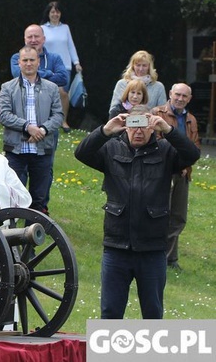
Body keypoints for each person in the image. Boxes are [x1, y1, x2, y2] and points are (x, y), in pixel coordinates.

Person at [74, 105, 199, 319]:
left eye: (143, 126)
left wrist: (168, 130)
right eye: (133, 126)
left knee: (152, 313)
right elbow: (81, 153)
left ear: (152, 127)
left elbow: (192, 154)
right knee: (110, 312)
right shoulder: (112, 149)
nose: (138, 131)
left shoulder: (166, 151)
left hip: (152, 250)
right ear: (126, 126)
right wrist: (105, 130)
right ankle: (110, 354)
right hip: (116, 248)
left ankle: (148, 354)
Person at [0, 46, 62, 213]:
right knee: (12, 196)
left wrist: (42, 130)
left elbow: (58, 116)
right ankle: (11, 234)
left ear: (38, 62)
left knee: (39, 198)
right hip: (16, 151)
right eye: (24, 60)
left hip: (42, 150)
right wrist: (28, 127)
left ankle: (32, 236)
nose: (28, 63)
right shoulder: (7, 88)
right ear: (19, 63)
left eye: (32, 60)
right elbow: (3, 115)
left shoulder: (51, 88)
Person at [151, 83, 200, 271]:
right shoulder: (157, 113)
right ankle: (157, 256)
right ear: (170, 94)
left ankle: (171, 258)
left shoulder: (191, 120)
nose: (180, 99)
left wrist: (185, 166)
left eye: (184, 96)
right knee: (162, 214)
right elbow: (155, 141)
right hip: (163, 172)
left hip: (183, 173)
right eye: (177, 94)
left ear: (189, 98)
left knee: (178, 216)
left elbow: (195, 147)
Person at [41, 1, 82, 132]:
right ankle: (47, 119)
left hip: (64, 65)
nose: (55, 14)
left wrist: (76, 63)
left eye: (57, 12)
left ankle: (63, 121)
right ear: (48, 13)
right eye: (52, 11)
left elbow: (71, 46)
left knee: (64, 94)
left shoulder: (65, 28)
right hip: (48, 65)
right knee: (47, 93)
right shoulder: (42, 28)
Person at [9, 24, 68, 93]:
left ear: (44, 39)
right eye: (30, 37)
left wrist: (33, 76)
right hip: (23, 98)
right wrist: (49, 73)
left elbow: (63, 78)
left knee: (62, 92)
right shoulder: (16, 58)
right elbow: (20, 75)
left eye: (36, 36)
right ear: (25, 40)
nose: (33, 40)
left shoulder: (55, 58)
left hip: (49, 99)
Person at [109, 50, 167, 115]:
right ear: (133, 65)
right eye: (138, 65)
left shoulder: (158, 87)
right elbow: (113, 110)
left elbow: (163, 112)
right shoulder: (122, 84)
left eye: (144, 65)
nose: (141, 69)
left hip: (150, 123)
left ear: (149, 67)